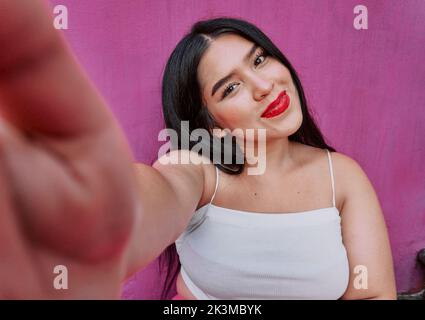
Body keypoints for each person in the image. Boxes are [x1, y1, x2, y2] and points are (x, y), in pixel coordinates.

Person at [0, 0, 396, 299]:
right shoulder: (199, 170)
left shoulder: (341, 176)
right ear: (209, 122)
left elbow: (373, 293)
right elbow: (157, 193)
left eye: (259, 59)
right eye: (230, 87)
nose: (263, 85)